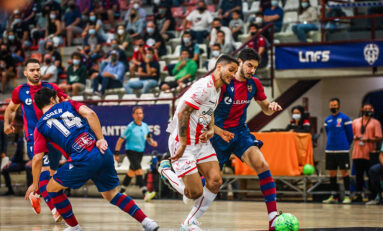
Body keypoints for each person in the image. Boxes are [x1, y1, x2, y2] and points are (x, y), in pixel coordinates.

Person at [25, 88, 159, 231]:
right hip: (101, 151)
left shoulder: (39, 126)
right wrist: (100, 138)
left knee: (51, 188)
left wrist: (35, 184)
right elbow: (91, 113)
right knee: (112, 195)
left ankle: (74, 227)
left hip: (82, 158)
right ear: (52, 99)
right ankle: (147, 221)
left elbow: (38, 158)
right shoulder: (68, 104)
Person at [158, 55, 239, 230]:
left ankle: (188, 223)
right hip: (183, 141)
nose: (233, 74)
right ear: (219, 67)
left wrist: (212, 129)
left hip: (201, 142)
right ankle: (165, 171)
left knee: (216, 181)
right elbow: (183, 114)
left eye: (235, 72)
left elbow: (207, 113)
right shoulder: (204, 87)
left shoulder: (217, 90)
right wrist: (183, 143)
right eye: (231, 70)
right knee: (194, 193)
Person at [210, 48, 282, 230]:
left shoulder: (254, 84)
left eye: (255, 67)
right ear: (239, 63)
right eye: (250, 66)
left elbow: (265, 108)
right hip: (218, 136)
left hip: (240, 133)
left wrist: (270, 107)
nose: (252, 70)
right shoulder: (224, 82)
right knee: (208, 184)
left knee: (262, 164)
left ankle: (273, 217)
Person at [4, 59, 67, 222]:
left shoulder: (50, 87)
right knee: (44, 170)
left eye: (38, 69)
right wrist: (7, 123)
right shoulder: (20, 91)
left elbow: (66, 101)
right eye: (32, 70)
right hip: (34, 137)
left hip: (53, 136)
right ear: (25, 73)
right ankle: (55, 210)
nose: (36, 73)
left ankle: (36, 193)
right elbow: (10, 108)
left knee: (52, 175)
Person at [114, 106, 158, 201]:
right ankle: (145, 193)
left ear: (143, 115)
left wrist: (152, 142)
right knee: (139, 171)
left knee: (131, 172)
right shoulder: (130, 127)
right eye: (137, 113)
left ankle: (121, 192)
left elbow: (148, 138)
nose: (139, 115)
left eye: (140, 113)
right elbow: (120, 140)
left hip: (140, 152)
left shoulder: (145, 126)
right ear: (133, 115)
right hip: (131, 151)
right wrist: (116, 153)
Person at [322, 98, 353, 204]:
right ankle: (334, 196)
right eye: (331, 105)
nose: (333, 107)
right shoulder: (327, 120)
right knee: (332, 173)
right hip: (330, 150)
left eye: (335, 105)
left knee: (344, 172)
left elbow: (350, 135)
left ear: (339, 106)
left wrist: (344, 145)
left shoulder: (345, 118)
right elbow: (328, 132)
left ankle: (347, 196)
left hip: (342, 150)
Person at [352, 103, 382, 202]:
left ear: (372, 110)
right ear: (362, 109)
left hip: (369, 153)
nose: (367, 110)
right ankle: (358, 195)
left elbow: (379, 137)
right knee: (359, 176)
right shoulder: (355, 122)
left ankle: (372, 196)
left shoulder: (375, 123)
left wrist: (368, 139)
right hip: (357, 153)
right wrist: (355, 137)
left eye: (369, 109)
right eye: (365, 108)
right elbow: (350, 135)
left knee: (370, 176)